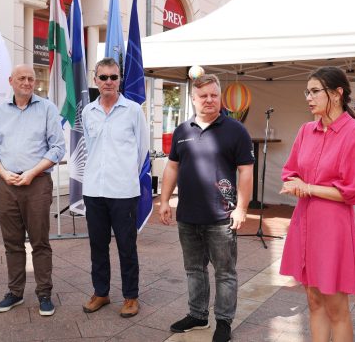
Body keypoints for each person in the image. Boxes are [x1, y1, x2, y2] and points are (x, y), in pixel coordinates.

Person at [279, 67, 355, 342]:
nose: (308, 97)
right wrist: (296, 182)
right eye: (306, 92)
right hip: (304, 221)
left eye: (315, 91)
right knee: (313, 299)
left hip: (332, 226)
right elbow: (289, 170)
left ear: (337, 93)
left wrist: (307, 187)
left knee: (336, 307)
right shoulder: (306, 130)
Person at [159, 73, 254, 342]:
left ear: (220, 96)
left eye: (214, 95)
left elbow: (246, 171)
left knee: (225, 272)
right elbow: (172, 167)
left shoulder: (236, 130)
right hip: (188, 216)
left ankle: (223, 322)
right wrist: (165, 200)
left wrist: (242, 208)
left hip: (221, 217)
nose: (209, 100)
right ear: (193, 99)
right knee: (194, 269)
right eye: (203, 96)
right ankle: (198, 315)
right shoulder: (183, 130)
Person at [0, 64, 65, 317]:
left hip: (37, 183)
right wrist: (2, 172)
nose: (27, 82)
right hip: (6, 183)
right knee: (12, 242)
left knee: (40, 242)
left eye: (31, 78)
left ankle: (44, 294)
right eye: (22, 78)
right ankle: (15, 292)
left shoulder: (47, 109)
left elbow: (57, 148)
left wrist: (31, 172)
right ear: (11, 81)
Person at [81, 57, 148, 318]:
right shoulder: (88, 112)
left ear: (120, 80)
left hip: (123, 192)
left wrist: (125, 172)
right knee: (97, 246)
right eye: (103, 77)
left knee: (126, 247)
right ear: (95, 80)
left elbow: (142, 150)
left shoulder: (132, 110)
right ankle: (101, 292)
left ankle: (131, 296)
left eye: (113, 77)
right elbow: (89, 145)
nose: (108, 82)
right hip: (94, 191)